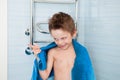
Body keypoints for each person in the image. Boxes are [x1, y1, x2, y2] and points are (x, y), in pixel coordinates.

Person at [30, 12, 96, 80]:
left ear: (73, 33)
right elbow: (44, 76)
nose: (60, 42)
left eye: (63, 38)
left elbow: (87, 74)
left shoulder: (81, 52)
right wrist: (38, 57)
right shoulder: (53, 52)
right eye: (55, 39)